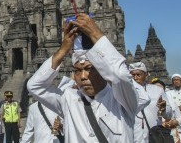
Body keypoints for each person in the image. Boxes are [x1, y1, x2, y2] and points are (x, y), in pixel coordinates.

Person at [27, 13, 150, 142]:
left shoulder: (122, 99)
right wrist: (63, 49)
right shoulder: (69, 99)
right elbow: (34, 86)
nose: (83, 77)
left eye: (89, 69)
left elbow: (120, 75)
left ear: (103, 70)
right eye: (78, 71)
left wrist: (95, 34)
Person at [20, 77, 74, 143]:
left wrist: (61, 126)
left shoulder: (57, 105)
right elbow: (29, 131)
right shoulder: (33, 108)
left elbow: (68, 126)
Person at [129, 62, 172, 142]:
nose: (135, 78)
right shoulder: (125, 92)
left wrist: (164, 108)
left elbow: (169, 115)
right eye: (132, 75)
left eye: (138, 75)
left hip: (154, 136)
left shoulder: (157, 90)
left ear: (146, 75)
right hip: (133, 135)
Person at [151, 78, 181, 143]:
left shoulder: (171, 101)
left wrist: (176, 122)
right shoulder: (148, 103)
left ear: (164, 89)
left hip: (171, 134)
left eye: (160, 88)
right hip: (154, 134)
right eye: (155, 89)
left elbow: (180, 118)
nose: (158, 91)